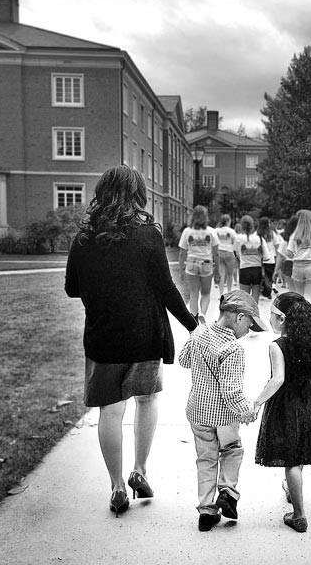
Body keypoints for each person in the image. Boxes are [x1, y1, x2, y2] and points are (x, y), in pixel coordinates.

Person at [65, 166, 198, 517]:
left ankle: (116, 487)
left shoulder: (83, 238)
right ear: (137, 195)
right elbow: (165, 288)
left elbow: (71, 288)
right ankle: (139, 469)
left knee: (111, 409)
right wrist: (192, 325)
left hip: (102, 337)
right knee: (147, 399)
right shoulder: (148, 235)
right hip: (143, 335)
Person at [177, 290, 267, 531]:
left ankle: (206, 509)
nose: (248, 331)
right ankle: (227, 493)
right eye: (250, 325)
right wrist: (246, 411)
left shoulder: (199, 333)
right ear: (239, 318)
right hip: (225, 417)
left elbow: (183, 360)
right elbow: (231, 391)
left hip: (198, 412)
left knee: (205, 458)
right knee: (232, 450)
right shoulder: (233, 348)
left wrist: (196, 333)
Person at [251, 292, 311, 533]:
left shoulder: (277, 345)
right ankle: (292, 489)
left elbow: (277, 379)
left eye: (270, 314)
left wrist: (258, 402)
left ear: (281, 319)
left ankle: (299, 515)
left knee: (290, 459)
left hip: (286, 406)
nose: (268, 318)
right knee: (299, 452)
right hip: (310, 401)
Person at [178, 205, 219, 324]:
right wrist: (217, 272)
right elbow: (216, 254)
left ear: (193, 216)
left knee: (194, 293)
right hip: (206, 264)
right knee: (206, 293)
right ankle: (203, 314)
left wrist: (181, 270)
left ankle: (194, 319)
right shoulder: (211, 231)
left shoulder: (187, 231)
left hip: (191, 263)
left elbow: (182, 252)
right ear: (206, 217)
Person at [234, 215, 269, 303]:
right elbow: (267, 257)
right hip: (257, 270)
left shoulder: (238, 238)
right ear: (253, 225)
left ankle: (246, 316)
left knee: (244, 299)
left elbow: (236, 253)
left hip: (244, 269)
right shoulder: (260, 239)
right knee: (254, 300)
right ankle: (254, 315)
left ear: (241, 226)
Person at [286, 209, 311, 300]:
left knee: (299, 296)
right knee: (309, 296)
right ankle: (309, 313)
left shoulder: (295, 234)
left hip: (297, 266)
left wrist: (297, 254)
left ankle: (299, 313)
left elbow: (289, 253)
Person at [258, 216, 281, 299]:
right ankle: (269, 291)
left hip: (259, 259)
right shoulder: (272, 233)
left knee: (261, 277)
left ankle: (262, 291)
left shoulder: (257, 234)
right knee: (270, 277)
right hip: (271, 259)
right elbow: (277, 245)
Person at [274, 214, 298, 292]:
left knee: (292, 290)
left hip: (288, 264)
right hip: (302, 264)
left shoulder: (286, 238)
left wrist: (276, 270)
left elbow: (280, 256)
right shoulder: (306, 237)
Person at [215, 214, 237, 294]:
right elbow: (235, 243)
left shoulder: (216, 230)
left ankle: (221, 294)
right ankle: (229, 292)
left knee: (221, 274)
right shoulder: (232, 231)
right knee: (229, 275)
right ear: (228, 221)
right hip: (229, 252)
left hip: (219, 252)